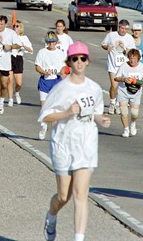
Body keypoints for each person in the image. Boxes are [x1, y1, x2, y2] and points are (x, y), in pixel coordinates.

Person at [39, 41, 111, 241]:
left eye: (82, 58)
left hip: (85, 144)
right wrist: (67, 112)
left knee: (81, 194)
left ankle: (78, 238)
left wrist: (101, 119)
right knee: (63, 196)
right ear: (69, 62)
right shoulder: (61, 89)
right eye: (75, 58)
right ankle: (51, 216)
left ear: (87, 61)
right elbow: (45, 116)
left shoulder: (95, 89)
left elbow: (95, 113)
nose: (79, 62)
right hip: (63, 144)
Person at [0, 15, 22, 115]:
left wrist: (10, 46)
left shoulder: (11, 33)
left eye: (2, 24)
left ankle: (1, 102)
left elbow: (18, 44)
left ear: (5, 24)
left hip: (5, 63)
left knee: (4, 85)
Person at [35, 31, 66, 140]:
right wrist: (44, 72)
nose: (51, 43)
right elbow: (37, 66)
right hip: (45, 82)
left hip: (55, 82)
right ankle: (43, 127)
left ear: (56, 42)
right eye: (49, 41)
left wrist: (61, 71)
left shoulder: (60, 53)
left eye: (53, 41)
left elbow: (63, 67)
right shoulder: (42, 52)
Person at [101, 19, 135, 115]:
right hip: (113, 65)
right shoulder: (111, 35)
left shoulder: (129, 38)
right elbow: (103, 44)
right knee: (114, 85)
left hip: (124, 66)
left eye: (126, 29)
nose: (123, 30)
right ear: (119, 27)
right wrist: (107, 48)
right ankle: (112, 103)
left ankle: (118, 104)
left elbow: (132, 52)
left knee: (123, 87)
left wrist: (126, 49)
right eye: (122, 28)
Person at [113, 48, 143, 137]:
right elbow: (116, 78)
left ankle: (133, 123)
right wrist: (124, 79)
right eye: (131, 58)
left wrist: (142, 82)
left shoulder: (142, 67)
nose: (132, 61)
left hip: (136, 92)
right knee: (124, 112)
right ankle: (126, 129)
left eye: (134, 59)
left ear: (138, 59)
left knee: (134, 113)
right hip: (123, 91)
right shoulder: (124, 66)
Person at [9, 20, 33, 105]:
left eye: (17, 26)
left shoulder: (24, 38)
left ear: (21, 28)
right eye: (14, 26)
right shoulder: (10, 36)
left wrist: (23, 45)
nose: (15, 27)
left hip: (19, 59)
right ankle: (10, 99)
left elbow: (31, 50)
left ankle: (17, 92)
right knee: (10, 80)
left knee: (19, 83)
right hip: (10, 57)